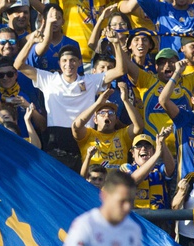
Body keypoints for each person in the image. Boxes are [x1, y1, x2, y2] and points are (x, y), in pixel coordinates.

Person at [14, 29, 125, 171]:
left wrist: (116, 43)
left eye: (73, 60)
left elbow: (120, 70)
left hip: (85, 138)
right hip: (56, 140)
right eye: (65, 61)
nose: (69, 64)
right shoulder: (48, 78)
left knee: (85, 183)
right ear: (59, 63)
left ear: (79, 62)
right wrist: (30, 41)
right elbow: (18, 65)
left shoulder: (90, 80)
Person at [72, 86, 143, 171]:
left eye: (111, 112)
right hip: (94, 182)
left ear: (116, 119)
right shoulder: (88, 135)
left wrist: (125, 100)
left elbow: (139, 126)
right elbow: (76, 126)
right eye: (102, 113)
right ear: (95, 120)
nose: (107, 115)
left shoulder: (123, 135)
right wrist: (97, 104)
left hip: (116, 182)